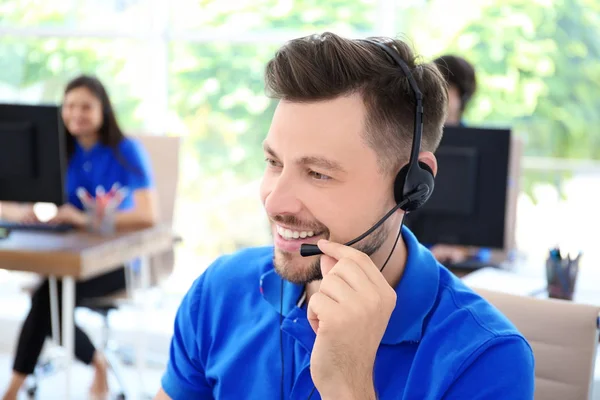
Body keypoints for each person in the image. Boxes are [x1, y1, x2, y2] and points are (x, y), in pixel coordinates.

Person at [155, 33, 534, 400]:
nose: (275, 203)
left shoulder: (487, 360)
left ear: (411, 185)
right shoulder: (220, 292)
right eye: (274, 162)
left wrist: (349, 387)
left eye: (318, 173)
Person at [1, 75, 158, 400]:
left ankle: (11, 392)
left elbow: (147, 215)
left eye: (85, 106)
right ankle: (96, 362)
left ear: (104, 109)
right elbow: (21, 198)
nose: (76, 114)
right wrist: (18, 213)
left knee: (47, 298)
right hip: (69, 257)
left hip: (116, 261)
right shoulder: (60, 150)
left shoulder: (126, 150)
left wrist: (84, 217)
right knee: (50, 298)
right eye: (69, 106)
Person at [429, 54, 491, 265]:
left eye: (447, 88)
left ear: (462, 96)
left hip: (462, 258)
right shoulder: (411, 140)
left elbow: (487, 225)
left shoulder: (481, 148)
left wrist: (464, 250)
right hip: (418, 252)